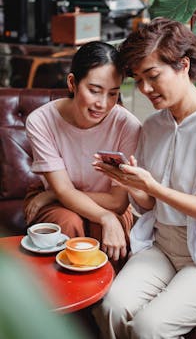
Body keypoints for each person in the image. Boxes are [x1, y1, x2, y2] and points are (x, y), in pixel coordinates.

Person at [92, 18, 196, 338]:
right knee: (111, 306)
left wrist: (152, 186)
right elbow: (150, 203)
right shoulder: (153, 126)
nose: (145, 89)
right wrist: (134, 186)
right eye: (138, 79)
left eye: (152, 76)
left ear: (183, 65)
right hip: (163, 246)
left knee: (148, 326)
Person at [24, 41, 141, 262]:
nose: (103, 104)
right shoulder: (41, 121)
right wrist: (104, 215)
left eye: (113, 94)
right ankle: (62, 294)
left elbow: (118, 202)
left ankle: (105, 295)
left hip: (103, 201)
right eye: (94, 91)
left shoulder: (128, 126)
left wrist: (53, 192)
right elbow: (64, 191)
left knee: (102, 230)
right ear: (72, 83)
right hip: (59, 203)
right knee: (68, 223)